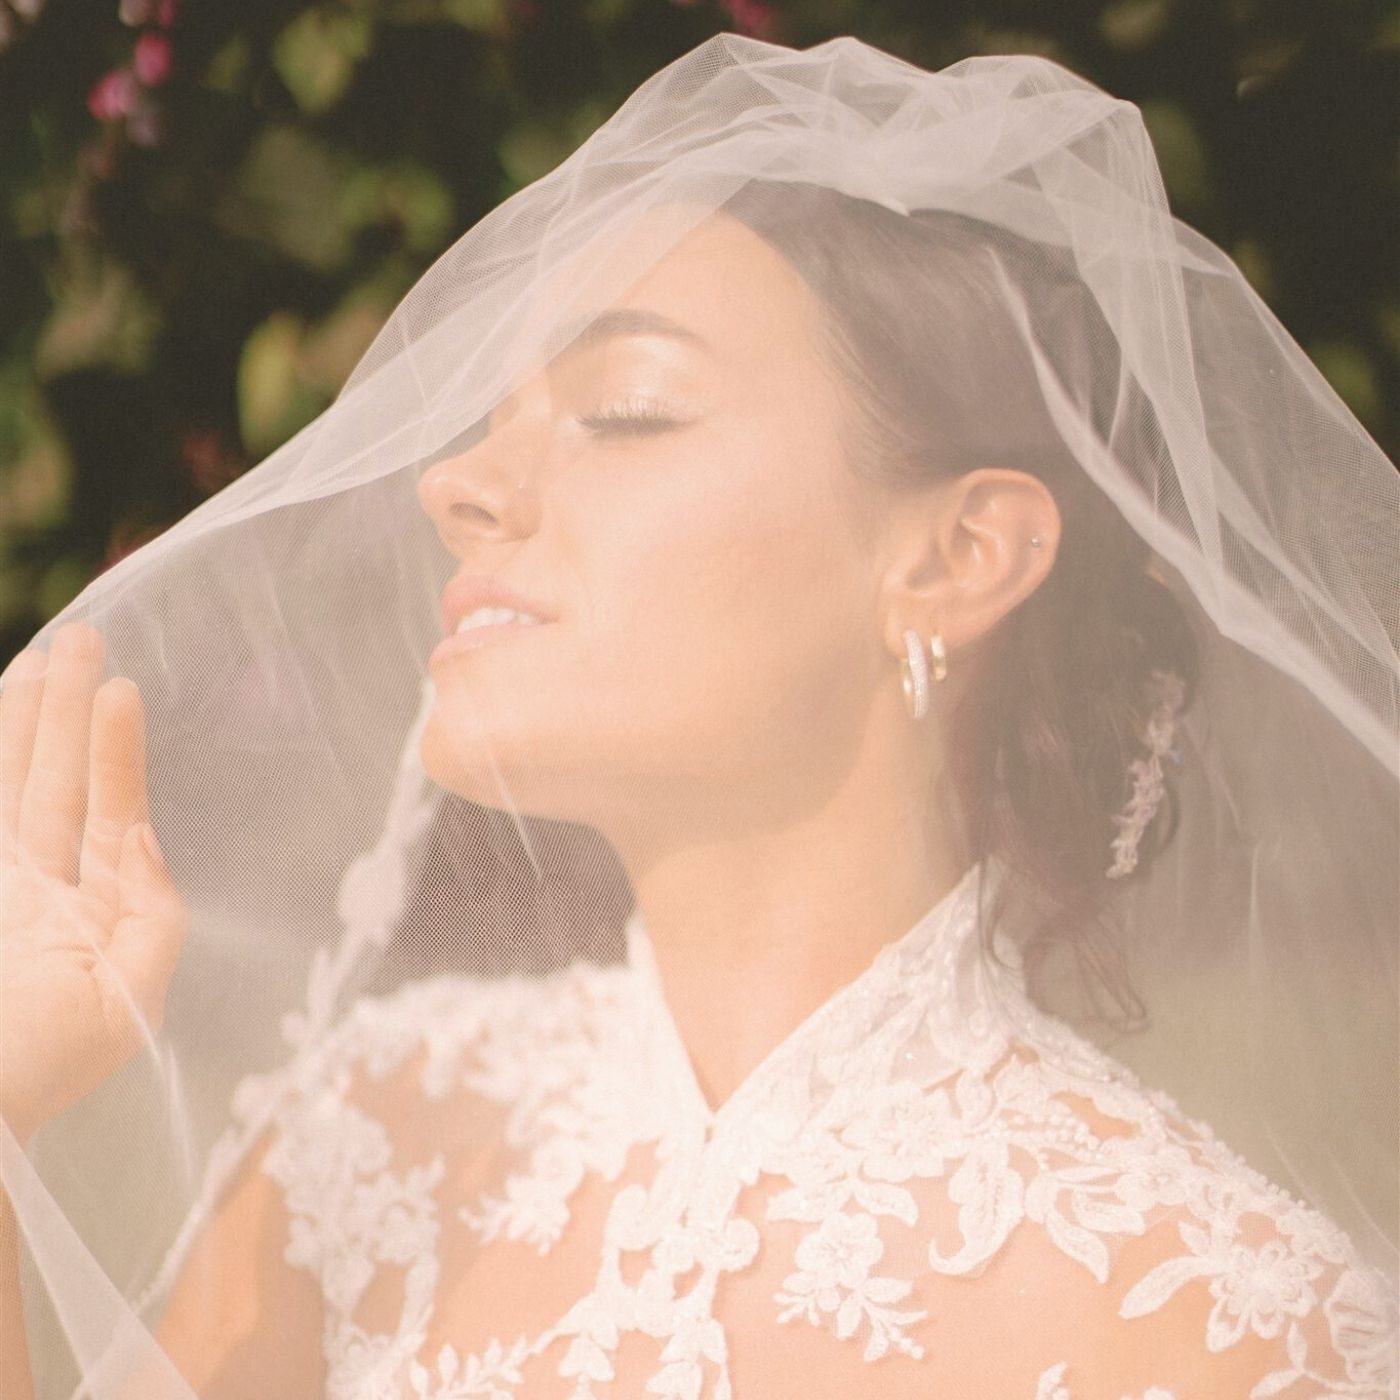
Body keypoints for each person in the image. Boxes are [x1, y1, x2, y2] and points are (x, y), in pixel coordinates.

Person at [2, 32, 1396, 1400]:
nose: (457, 486)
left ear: (958, 557)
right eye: (493, 415)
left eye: (625, 408)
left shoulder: (1218, 1327)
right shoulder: (365, 1152)